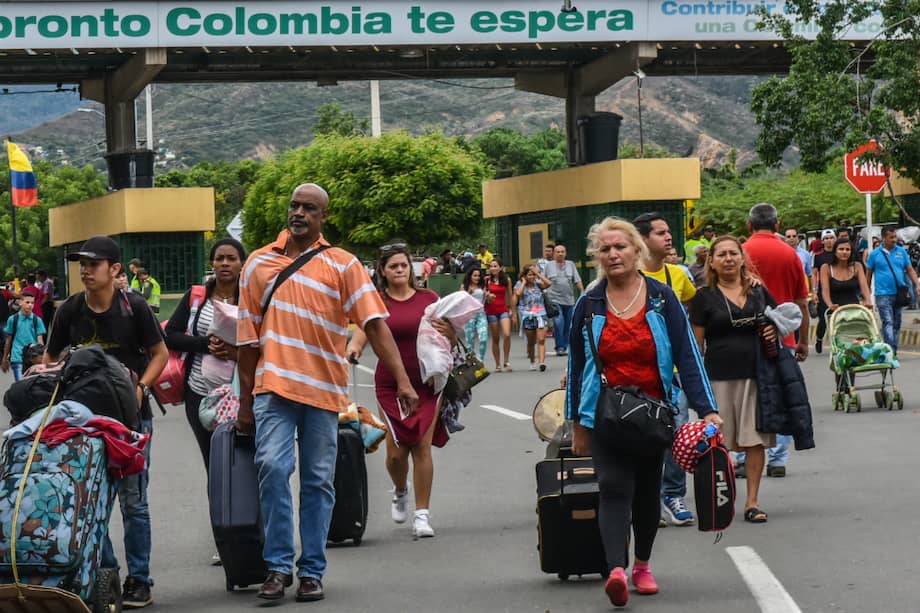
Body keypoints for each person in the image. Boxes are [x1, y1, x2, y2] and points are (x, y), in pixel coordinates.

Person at [236, 184, 417, 603]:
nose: (298, 212)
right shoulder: (258, 264)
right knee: (272, 468)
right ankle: (279, 566)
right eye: (294, 205)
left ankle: (312, 569)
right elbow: (247, 342)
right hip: (273, 388)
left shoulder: (343, 264)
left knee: (318, 481)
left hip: (323, 392)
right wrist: (246, 402)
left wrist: (403, 380)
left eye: (309, 208)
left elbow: (373, 324)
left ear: (323, 218)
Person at [566, 217, 720, 608]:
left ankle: (642, 565)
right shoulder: (590, 303)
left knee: (647, 492)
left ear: (637, 250)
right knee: (613, 487)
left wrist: (707, 409)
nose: (613, 254)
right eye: (605, 249)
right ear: (597, 257)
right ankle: (616, 570)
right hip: (604, 413)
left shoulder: (660, 298)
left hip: (653, 414)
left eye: (620, 247)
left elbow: (687, 354)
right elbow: (575, 365)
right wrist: (577, 425)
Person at [44, 235, 168, 609]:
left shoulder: (136, 307)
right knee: (91, 503)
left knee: (133, 503)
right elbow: (52, 358)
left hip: (131, 422)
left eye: (93, 264)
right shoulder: (70, 310)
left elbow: (160, 354)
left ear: (115, 270)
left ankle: (140, 581)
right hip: (84, 425)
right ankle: (108, 573)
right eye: (81, 264)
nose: (85, 270)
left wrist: (142, 388)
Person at [346, 244, 454, 540]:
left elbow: (450, 335)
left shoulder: (429, 299)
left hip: (427, 381)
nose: (399, 270)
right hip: (391, 382)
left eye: (404, 265)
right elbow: (363, 332)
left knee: (421, 444)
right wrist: (353, 349)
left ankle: (422, 514)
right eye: (393, 266)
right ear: (382, 270)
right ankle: (400, 488)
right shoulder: (376, 302)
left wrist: (452, 334)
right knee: (395, 453)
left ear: (412, 269)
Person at [691, 236, 778, 524]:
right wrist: (697, 387)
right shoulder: (704, 297)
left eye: (733, 253)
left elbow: (780, 322)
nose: (728, 259)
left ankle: (752, 502)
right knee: (718, 444)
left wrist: (772, 334)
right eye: (722, 255)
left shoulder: (758, 292)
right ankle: (721, 500)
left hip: (756, 376)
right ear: (711, 262)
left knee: (755, 440)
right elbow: (696, 346)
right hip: (718, 379)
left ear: (742, 258)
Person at [633, 211, 697, 526]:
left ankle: (673, 494)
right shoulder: (627, 276)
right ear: (643, 240)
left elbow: (699, 311)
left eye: (668, 232)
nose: (668, 237)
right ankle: (647, 498)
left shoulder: (679, 276)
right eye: (661, 233)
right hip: (636, 373)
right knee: (643, 437)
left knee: (678, 431)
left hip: (673, 373)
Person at [165, 238, 247, 471]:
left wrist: (234, 353)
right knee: (213, 462)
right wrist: (205, 345)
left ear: (242, 263)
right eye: (219, 258)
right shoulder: (197, 297)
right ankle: (219, 507)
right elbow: (170, 335)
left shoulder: (251, 300)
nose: (225, 263)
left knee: (241, 461)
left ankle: (243, 507)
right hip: (200, 395)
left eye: (232, 258)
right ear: (212, 262)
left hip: (241, 395)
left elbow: (263, 346)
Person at [743, 203, 810, 479]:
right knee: (781, 395)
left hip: (745, 337)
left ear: (749, 225)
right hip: (783, 336)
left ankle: (742, 455)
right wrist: (803, 339)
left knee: (747, 397)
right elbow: (801, 302)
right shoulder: (790, 254)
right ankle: (777, 459)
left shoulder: (740, 252)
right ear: (778, 224)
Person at [866, 226, 920, 354]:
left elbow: (910, 270)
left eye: (895, 237)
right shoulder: (874, 254)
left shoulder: (901, 252)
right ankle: (891, 349)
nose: (894, 239)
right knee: (888, 321)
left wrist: (917, 285)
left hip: (899, 293)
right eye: (891, 237)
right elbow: (868, 274)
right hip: (882, 294)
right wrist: (866, 292)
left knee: (897, 322)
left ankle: (890, 346)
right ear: (883, 238)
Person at [543, 243, 584, 357]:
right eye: (558, 252)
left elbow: (577, 280)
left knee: (567, 325)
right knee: (558, 323)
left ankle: (565, 346)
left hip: (569, 300)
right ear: (554, 254)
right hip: (554, 299)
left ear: (565, 253)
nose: (560, 254)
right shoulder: (549, 266)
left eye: (562, 252)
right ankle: (560, 347)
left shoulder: (571, 265)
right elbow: (543, 280)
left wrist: (582, 292)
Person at [513, 264, 552, 372]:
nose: (532, 277)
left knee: (541, 339)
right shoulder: (519, 284)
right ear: (525, 275)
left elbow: (549, 283)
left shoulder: (538, 284)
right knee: (531, 342)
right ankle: (532, 361)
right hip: (528, 315)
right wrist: (524, 282)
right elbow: (518, 293)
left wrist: (538, 274)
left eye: (533, 275)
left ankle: (542, 362)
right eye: (530, 275)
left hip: (541, 314)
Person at [820, 237, 872, 312]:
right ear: (835, 251)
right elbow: (825, 292)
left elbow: (864, 287)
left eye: (847, 249)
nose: (844, 252)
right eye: (841, 249)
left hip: (854, 309)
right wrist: (830, 304)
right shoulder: (826, 268)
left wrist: (868, 300)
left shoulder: (857, 266)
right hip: (835, 310)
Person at [2, 293, 46, 381]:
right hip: (17, 357)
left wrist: (43, 358)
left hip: (33, 358)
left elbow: (40, 341)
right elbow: (8, 340)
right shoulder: (12, 319)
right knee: (20, 384)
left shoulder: (37, 320)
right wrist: (4, 358)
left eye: (32, 303)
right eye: (27, 302)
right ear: (20, 302)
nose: (30, 305)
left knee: (33, 385)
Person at [484, 258, 514, 372]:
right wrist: (486, 294)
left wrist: (513, 311)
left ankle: (506, 361)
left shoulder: (506, 279)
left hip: (503, 310)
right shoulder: (487, 280)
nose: (493, 268)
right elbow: (483, 294)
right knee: (495, 338)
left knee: (507, 334)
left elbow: (510, 296)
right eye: (491, 266)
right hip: (491, 311)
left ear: (500, 268)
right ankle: (497, 364)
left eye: (495, 266)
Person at [811, 229, 838, 353]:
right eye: (826, 238)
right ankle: (819, 338)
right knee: (823, 318)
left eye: (831, 238)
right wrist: (814, 292)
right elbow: (814, 274)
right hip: (823, 290)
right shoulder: (818, 256)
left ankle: (837, 343)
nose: (829, 241)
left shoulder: (839, 254)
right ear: (822, 241)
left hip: (837, 288)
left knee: (838, 318)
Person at [461, 267, 488, 360]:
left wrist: (487, 295)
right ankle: (471, 361)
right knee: (470, 342)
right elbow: (460, 300)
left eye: (479, 276)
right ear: (470, 276)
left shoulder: (482, 286)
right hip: (469, 316)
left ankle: (481, 360)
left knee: (483, 339)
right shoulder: (464, 286)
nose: (477, 278)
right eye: (475, 276)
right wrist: (468, 292)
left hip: (481, 315)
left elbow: (487, 299)